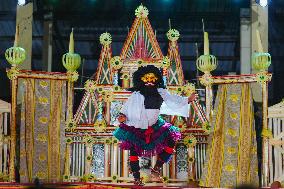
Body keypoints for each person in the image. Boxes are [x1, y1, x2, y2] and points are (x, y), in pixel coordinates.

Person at [113, 65, 196, 186]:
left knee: (172, 139)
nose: (150, 82)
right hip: (137, 126)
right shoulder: (135, 95)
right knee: (134, 150)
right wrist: (121, 117)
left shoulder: (161, 92)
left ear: (157, 79)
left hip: (155, 126)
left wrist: (187, 100)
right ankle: (137, 178)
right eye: (147, 79)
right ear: (141, 80)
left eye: (153, 79)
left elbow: (173, 100)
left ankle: (156, 169)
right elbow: (125, 110)